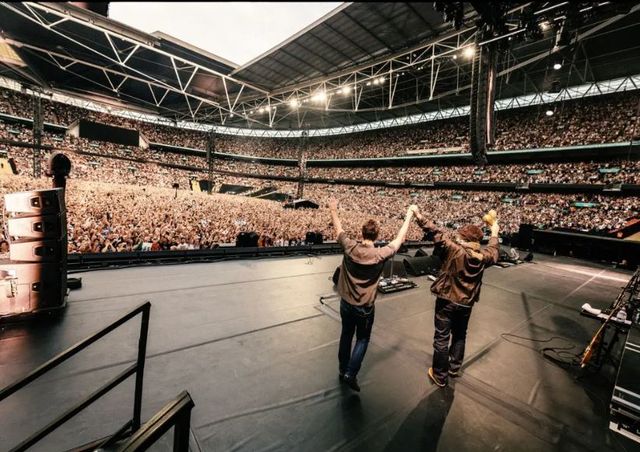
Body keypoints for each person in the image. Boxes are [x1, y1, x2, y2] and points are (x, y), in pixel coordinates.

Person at [329, 198, 416, 392]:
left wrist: (333, 209)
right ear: (377, 235)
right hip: (365, 307)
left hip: (346, 303)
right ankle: (351, 373)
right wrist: (409, 216)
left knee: (346, 334)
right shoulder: (380, 254)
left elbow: (338, 229)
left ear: (362, 233)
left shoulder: (349, 247)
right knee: (362, 339)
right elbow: (399, 239)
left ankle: (343, 369)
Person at [412, 207, 500, 387]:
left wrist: (418, 215)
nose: (457, 238)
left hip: (447, 300)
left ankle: (440, 375)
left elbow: (435, 231)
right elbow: (494, 250)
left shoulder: (455, 250)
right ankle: (454, 368)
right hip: (467, 303)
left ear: (464, 239)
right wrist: (494, 231)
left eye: (460, 236)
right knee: (460, 335)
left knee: (441, 338)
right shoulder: (483, 257)